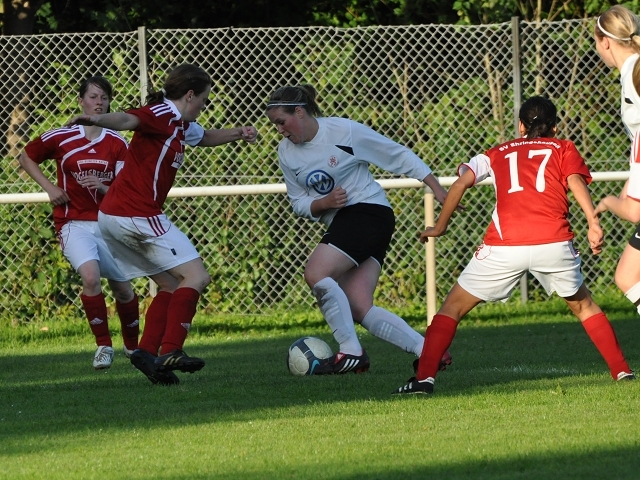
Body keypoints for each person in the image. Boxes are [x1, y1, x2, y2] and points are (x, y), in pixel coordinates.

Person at [394, 96, 635, 396]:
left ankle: (423, 380)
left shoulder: (496, 152)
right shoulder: (563, 147)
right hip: (553, 242)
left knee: (452, 308)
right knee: (584, 306)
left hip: (504, 245)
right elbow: (575, 181)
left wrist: (440, 227)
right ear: (554, 127)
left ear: (521, 125)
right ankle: (622, 371)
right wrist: (592, 221)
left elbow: (459, 184)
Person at [66, 64, 258, 386]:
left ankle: (145, 352)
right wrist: (95, 119)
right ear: (190, 95)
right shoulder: (163, 113)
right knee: (197, 276)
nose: (204, 106)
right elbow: (128, 120)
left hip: (115, 215)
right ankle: (171, 350)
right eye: (204, 100)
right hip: (135, 213)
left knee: (170, 284)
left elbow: (204, 137)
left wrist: (239, 133)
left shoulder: (180, 124)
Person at [266, 84, 453, 375]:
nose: (279, 130)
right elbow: (298, 202)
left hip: (369, 212)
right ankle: (428, 350)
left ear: (299, 112)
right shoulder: (286, 153)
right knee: (359, 306)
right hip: (348, 221)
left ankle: (351, 351)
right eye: (275, 125)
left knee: (316, 273)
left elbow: (396, 154)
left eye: (281, 122)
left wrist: (436, 188)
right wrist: (323, 204)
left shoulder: (343, 131)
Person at [18, 76, 140, 370]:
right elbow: (25, 157)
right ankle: (103, 346)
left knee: (123, 290)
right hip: (73, 222)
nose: (99, 103)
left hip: (109, 223)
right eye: (93, 97)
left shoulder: (118, 142)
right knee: (90, 277)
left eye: (104, 98)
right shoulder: (61, 136)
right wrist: (50, 188)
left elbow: (125, 190)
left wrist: (102, 187)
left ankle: (133, 347)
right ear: (80, 101)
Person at [593, 5, 640, 317]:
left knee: (628, 276)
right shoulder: (631, 72)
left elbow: (634, 213)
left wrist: (609, 202)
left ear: (605, 42)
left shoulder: (635, 73)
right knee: (627, 275)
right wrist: (628, 190)